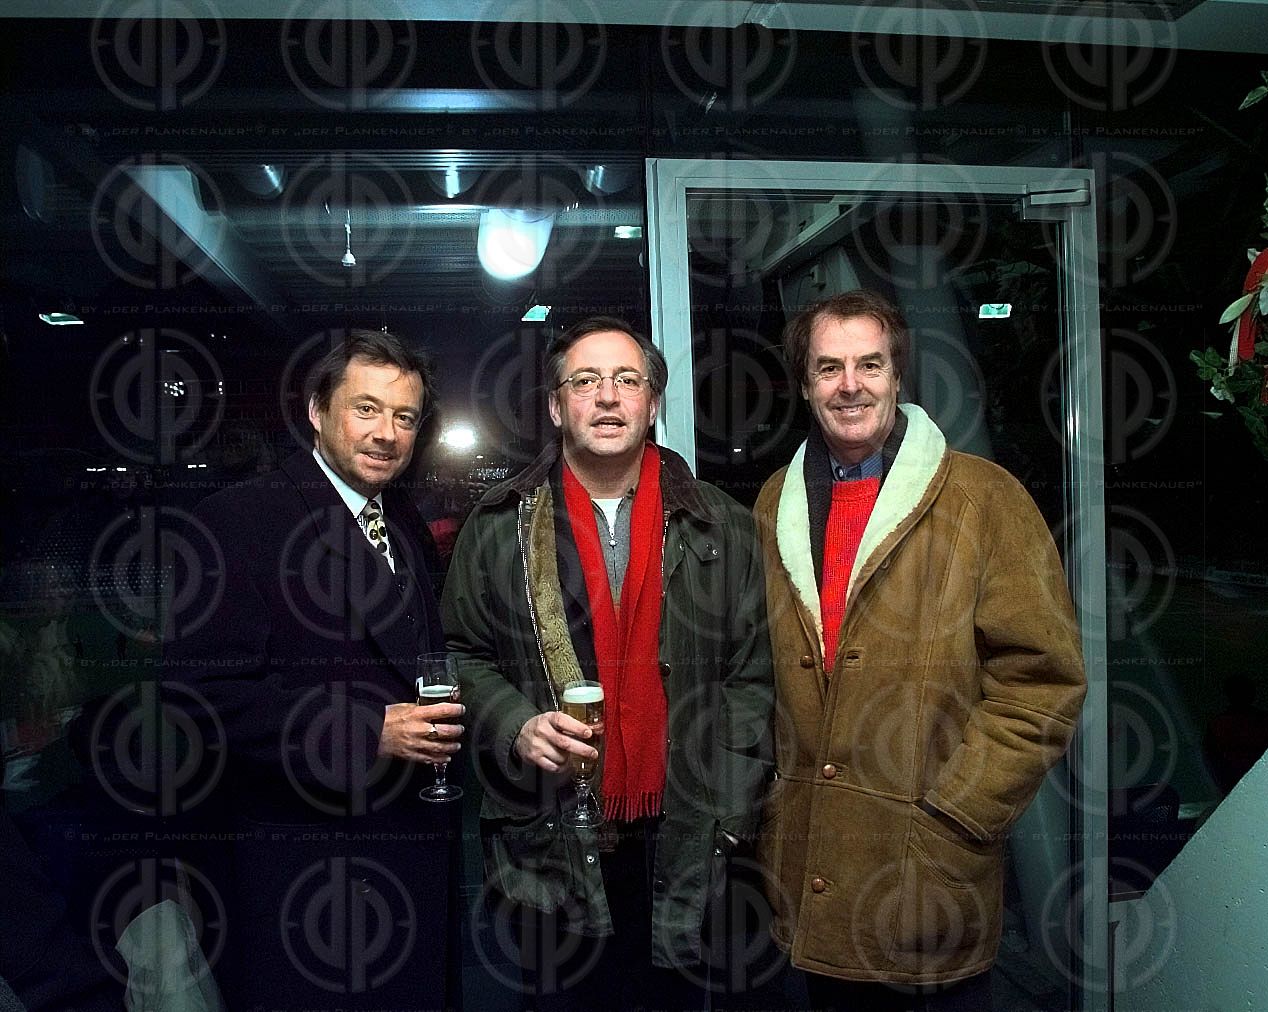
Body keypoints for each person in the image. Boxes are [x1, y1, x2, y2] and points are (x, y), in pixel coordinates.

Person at [753, 291, 1087, 1011]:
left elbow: (1044, 683)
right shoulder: (774, 502)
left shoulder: (984, 499)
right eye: (829, 368)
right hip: (811, 875)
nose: (850, 385)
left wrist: (960, 811)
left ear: (897, 376)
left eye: (870, 364)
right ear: (805, 385)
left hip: (929, 874)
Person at [442, 317, 773, 1011]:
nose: (608, 396)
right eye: (586, 380)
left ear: (652, 404)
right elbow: (462, 652)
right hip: (551, 829)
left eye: (627, 380)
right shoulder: (499, 524)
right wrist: (517, 723)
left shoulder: (723, 524)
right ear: (556, 406)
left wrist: (733, 806)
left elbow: (752, 675)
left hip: (689, 829)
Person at [165, 330, 462, 1011]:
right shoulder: (239, 519)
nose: (386, 433)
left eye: (405, 416)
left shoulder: (402, 520)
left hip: (407, 847)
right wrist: (368, 731)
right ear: (316, 411)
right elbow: (200, 698)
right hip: (308, 867)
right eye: (366, 408)